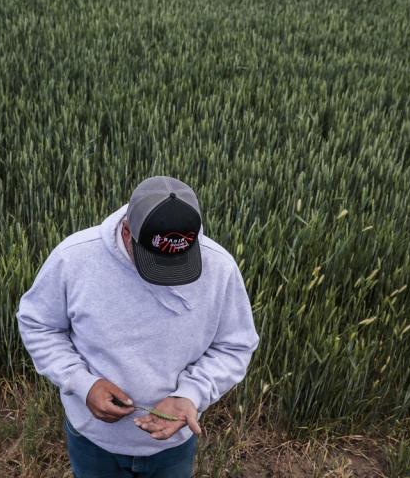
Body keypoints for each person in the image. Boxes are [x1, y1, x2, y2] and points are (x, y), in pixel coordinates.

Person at [17, 176, 259, 478]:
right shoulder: (74, 258)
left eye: (179, 262)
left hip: (172, 446)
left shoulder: (219, 268)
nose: (165, 277)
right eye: (154, 261)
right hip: (94, 441)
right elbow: (38, 324)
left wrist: (191, 394)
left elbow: (235, 345)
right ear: (128, 231)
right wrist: (83, 383)